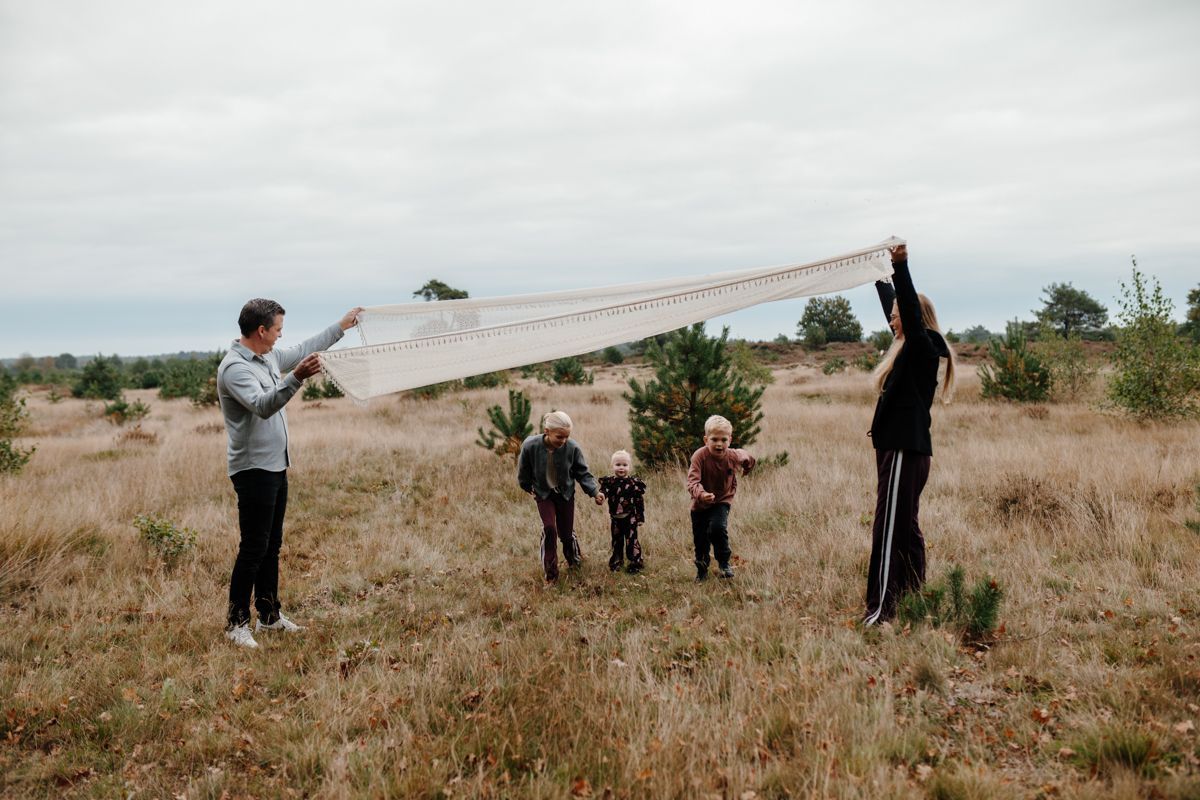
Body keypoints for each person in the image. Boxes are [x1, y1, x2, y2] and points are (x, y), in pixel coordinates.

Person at [217, 298, 363, 648]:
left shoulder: (267, 356)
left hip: (276, 464)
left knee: (272, 545)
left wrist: (341, 326)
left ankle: (269, 616)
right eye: (278, 329)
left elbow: (303, 349)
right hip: (253, 469)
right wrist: (296, 378)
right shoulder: (235, 369)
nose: (281, 337)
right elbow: (264, 406)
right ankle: (236, 624)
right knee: (253, 546)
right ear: (261, 330)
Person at [863, 244, 957, 626]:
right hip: (897, 450)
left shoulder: (921, 348)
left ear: (915, 317)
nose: (892, 321)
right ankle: (913, 599)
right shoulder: (907, 347)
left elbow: (909, 310)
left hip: (905, 450)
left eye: (898, 315)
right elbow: (894, 301)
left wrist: (900, 266)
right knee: (905, 527)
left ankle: (881, 611)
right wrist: (875, 272)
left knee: (888, 529)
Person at [517, 411, 605, 582]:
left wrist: (594, 492)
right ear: (547, 431)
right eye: (559, 437)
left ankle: (574, 559)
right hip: (544, 494)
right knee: (550, 528)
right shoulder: (530, 446)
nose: (563, 441)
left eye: (567, 437)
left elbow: (582, 473)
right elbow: (523, 470)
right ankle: (551, 574)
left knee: (565, 534)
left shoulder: (572, 448)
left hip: (565, 494)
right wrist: (527, 486)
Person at [687, 415, 755, 582]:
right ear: (706, 439)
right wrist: (702, 494)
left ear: (730, 440)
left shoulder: (733, 455)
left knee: (717, 528)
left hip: (723, 499)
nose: (719, 444)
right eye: (714, 439)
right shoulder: (699, 456)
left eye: (723, 439)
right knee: (701, 539)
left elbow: (747, 457)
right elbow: (692, 481)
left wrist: (747, 466)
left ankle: (724, 563)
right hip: (700, 505)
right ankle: (702, 570)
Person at [597, 450, 646, 573]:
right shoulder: (609, 482)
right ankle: (617, 562)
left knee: (631, 540)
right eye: (618, 464)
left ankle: (635, 563)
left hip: (630, 518)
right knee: (616, 541)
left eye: (624, 465)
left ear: (629, 466)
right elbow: (604, 492)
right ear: (612, 465)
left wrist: (640, 518)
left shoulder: (634, 484)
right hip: (615, 518)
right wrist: (601, 496)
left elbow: (639, 502)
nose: (621, 468)